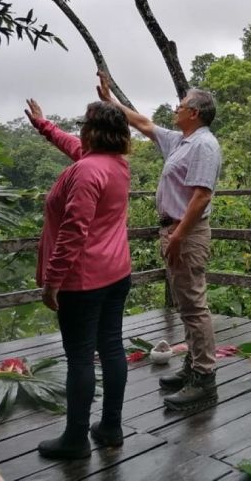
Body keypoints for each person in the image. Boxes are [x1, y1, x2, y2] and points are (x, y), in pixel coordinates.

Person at [96, 74, 222, 412]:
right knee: (186, 304)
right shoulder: (182, 141)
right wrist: (112, 102)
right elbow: (144, 124)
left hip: (187, 233)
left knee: (194, 305)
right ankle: (194, 366)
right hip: (176, 231)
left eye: (180, 106)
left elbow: (201, 196)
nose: (175, 110)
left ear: (194, 112)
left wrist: (178, 237)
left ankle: (205, 378)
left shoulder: (204, 146)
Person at [25, 99, 132, 460]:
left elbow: (74, 231)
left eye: (84, 125)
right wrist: (44, 126)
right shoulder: (116, 164)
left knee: (81, 359)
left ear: (92, 131)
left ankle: (75, 438)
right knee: (112, 348)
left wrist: (52, 282)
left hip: (83, 282)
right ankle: (111, 427)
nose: (80, 131)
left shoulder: (86, 172)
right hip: (117, 274)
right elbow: (77, 149)